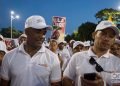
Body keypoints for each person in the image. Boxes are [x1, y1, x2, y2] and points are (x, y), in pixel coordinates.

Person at [1, 15, 61, 86]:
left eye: (44, 33)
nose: (42, 36)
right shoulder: (9, 56)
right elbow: (4, 83)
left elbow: (55, 84)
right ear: (26, 32)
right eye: (38, 31)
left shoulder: (53, 57)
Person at [63, 20, 120, 86]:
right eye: (103, 34)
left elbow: (116, 84)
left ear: (113, 41)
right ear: (94, 35)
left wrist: (103, 84)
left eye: (111, 36)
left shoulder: (117, 63)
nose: (107, 38)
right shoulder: (77, 57)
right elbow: (66, 78)